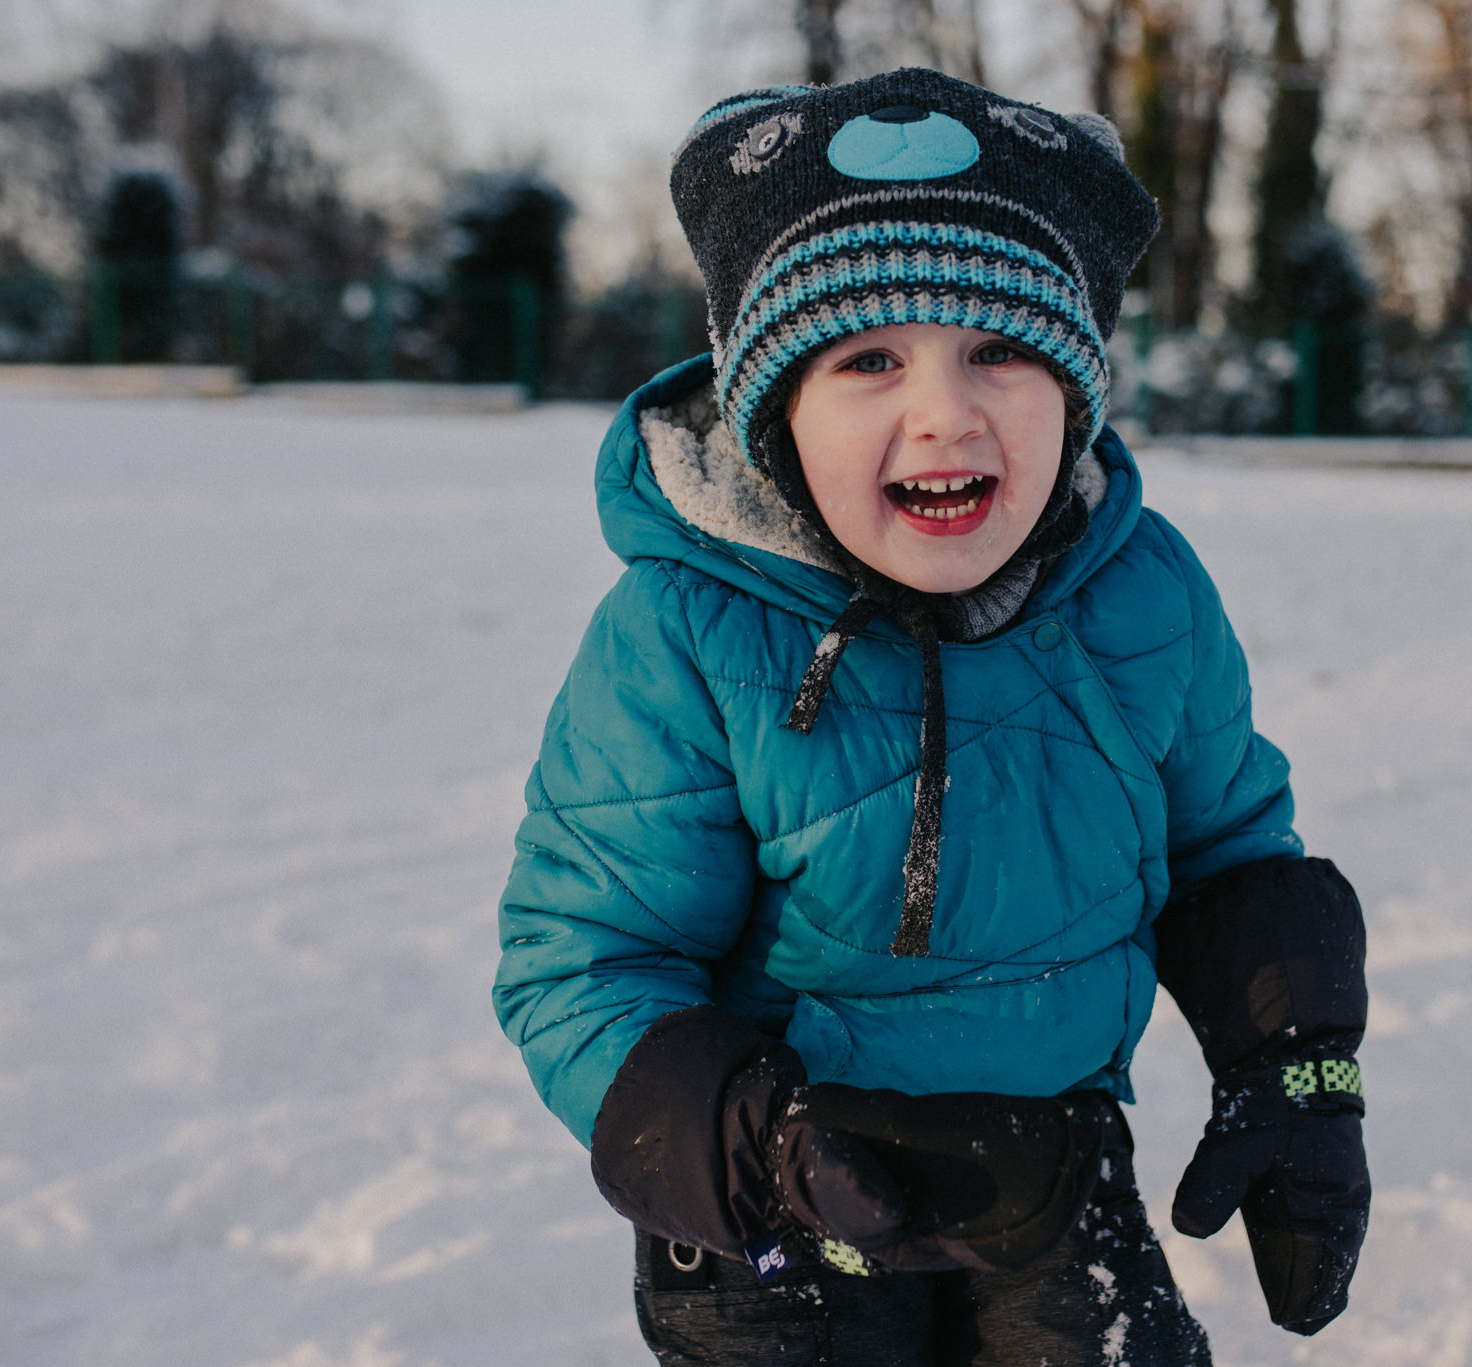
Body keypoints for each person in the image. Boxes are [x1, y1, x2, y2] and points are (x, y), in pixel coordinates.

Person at [493, 67, 1370, 1366]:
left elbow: (1229, 850)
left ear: (1074, 393)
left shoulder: (1143, 596)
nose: (944, 412)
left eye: (1001, 351)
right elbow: (582, 958)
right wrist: (745, 1143)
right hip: (773, 1209)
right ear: (775, 413)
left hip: (1052, 1174)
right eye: (868, 360)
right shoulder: (684, 634)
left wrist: (1297, 1068)